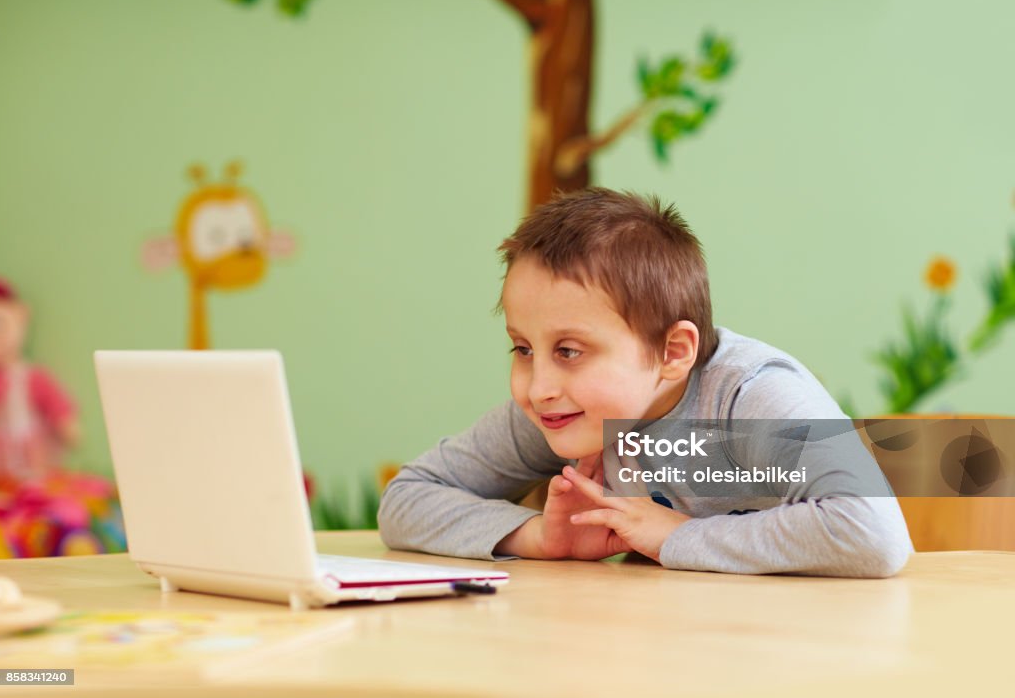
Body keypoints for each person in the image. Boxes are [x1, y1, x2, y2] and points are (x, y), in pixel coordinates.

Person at [378, 189, 912, 577]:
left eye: (569, 351)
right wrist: (540, 535)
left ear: (672, 352)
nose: (537, 386)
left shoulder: (751, 398)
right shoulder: (561, 408)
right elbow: (407, 499)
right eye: (523, 349)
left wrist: (679, 536)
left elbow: (872, 533)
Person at [0, 276, 80, 486]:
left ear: (20, 318)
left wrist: (67, 426)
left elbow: (57, 405)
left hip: (32, 461)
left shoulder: (31, 377)